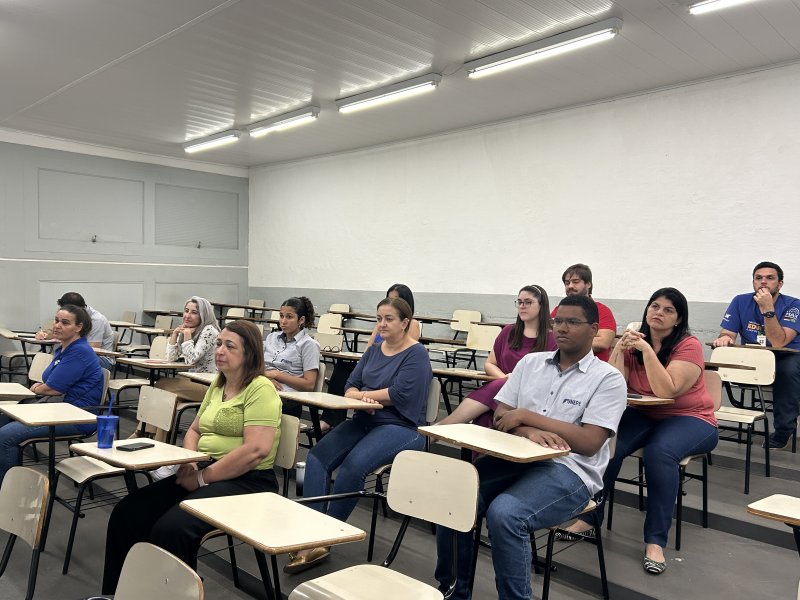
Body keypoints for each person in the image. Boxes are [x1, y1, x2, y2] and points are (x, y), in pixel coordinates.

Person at [435, 295, 627, 600]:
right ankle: (453, 592)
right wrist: (528, 430)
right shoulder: (531, 363)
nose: (562, 328)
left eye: (572, 322)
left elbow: (589, 443)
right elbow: (501, 414)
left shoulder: (608, 379)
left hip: (570, 471)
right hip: (515, 457)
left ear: (594, 329)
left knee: (506, 514)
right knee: (454, 498)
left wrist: (524, 416)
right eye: (558, 321)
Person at [101, 320, 281, 594]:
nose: (220, 351)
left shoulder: (260, 389)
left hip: (248, 482)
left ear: (250, 354)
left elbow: (255, 451)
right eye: (219, 343)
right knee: (128, 512)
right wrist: (191, 460)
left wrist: (201, 477)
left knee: (172, 530)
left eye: (229, 346)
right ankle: (121, 593)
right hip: (206, 468)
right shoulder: (218, 385)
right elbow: (194, 429)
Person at [560, 288, 718, 576]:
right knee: (605, 442)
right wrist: (620, 350)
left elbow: (667, 390)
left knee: (660, 453)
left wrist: (646, 351)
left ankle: (655, 541)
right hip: (646, 413)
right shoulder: (634, 341)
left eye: (668, 309)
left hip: (692, 418)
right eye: (654, 306)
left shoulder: (688, 345)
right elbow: (617, 386)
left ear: (678, 318)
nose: (658, 312)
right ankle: (590, 518)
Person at [285, 297, 431, 574]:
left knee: (353, 466)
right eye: (379, 318)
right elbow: (350, 384)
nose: (382, 324)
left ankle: (327, 536)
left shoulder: (416, 354)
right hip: (365, 417)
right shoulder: (375, 350)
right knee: (315, 458)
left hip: (402, 426)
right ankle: (313, 530)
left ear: (405, 323)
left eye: (389, 319)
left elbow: (399, 394)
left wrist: (362, 395)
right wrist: (360, 395)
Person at [0, 304, 103, 483]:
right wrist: (43, 386)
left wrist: (39, 388)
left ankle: (7, 489)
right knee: (2, 418)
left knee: (5, 437)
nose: (57, 325)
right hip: (57, 409)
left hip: (77, 417)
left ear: (78, 327)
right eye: (56, 320)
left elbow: (53, 388)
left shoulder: (79, 352)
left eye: (65, 322)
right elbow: (52, 382)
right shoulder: (64, 348)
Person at [439, 284, 556, 427]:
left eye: (528, 302)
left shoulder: (552, 339)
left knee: (500, 388)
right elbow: (490, 363)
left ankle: (442, 427)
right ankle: (443, 428)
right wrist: (505, 379)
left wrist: (510, 383)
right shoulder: (508, 331)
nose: (522, 306)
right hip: (501, 393)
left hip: (529, 396)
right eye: (519, 302)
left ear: (541, 305)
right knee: (484, 417)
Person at [712, 261, 800, 449]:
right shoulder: (740, 301)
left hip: (786, 356)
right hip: (754, 356)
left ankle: (784, 430)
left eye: (770, 278)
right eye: (758, 278)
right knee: (714, 363)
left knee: (788, 370)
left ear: (780, 283)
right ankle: (702, 418)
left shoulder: (794, 305)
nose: (763, 282)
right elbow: (727, 332)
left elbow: (779, 342)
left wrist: (768, 310)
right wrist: (725, 339)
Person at [324, 283, 421, 432]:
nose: (391, 303)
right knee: (342, 368)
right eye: (389, 298)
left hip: (392, 366)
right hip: (377, 360)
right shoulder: (380, 327)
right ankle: (330, 419)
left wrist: (361, 395)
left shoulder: (412, 327)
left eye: (396, 299)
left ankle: (332, 419)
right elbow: (369, 349)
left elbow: (401, 349)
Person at [263, 297, 320, 418]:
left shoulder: (308, 345)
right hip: (263, 387)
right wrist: (267, 380)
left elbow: (309, 385)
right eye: (281, 316)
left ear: (301, 320)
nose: (283, 321)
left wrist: (277, 375)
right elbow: (257, 366)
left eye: (289, 317)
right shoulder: (271, 337)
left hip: (287, 398)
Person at [157, 296, 220, 403]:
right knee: (160, 388)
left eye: (194, 312)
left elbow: (191, 359)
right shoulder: (190, 329)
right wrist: (175, 334)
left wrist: (187, 336)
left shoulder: (209, 330)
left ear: (203, 316)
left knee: (161, 386)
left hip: (209, 385)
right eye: (186, 311)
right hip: (193, 379)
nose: (187, 316)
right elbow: (170, 358)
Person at [552, 264, 616, 361]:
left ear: (588, 284)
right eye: (567, 283)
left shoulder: (602, 311)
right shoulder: (558, 310)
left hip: (593, 370)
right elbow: (547, 337)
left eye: (575, 282)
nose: (570, 286)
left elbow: (603, 342)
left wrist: (565, 341)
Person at [37, 292, 115, 370]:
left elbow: (93, 349)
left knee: (70, 359)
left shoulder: (97, 320)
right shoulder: (70, 317)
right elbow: (55, 332)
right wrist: (44, 334)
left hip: (101, 359)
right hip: (76, 353)